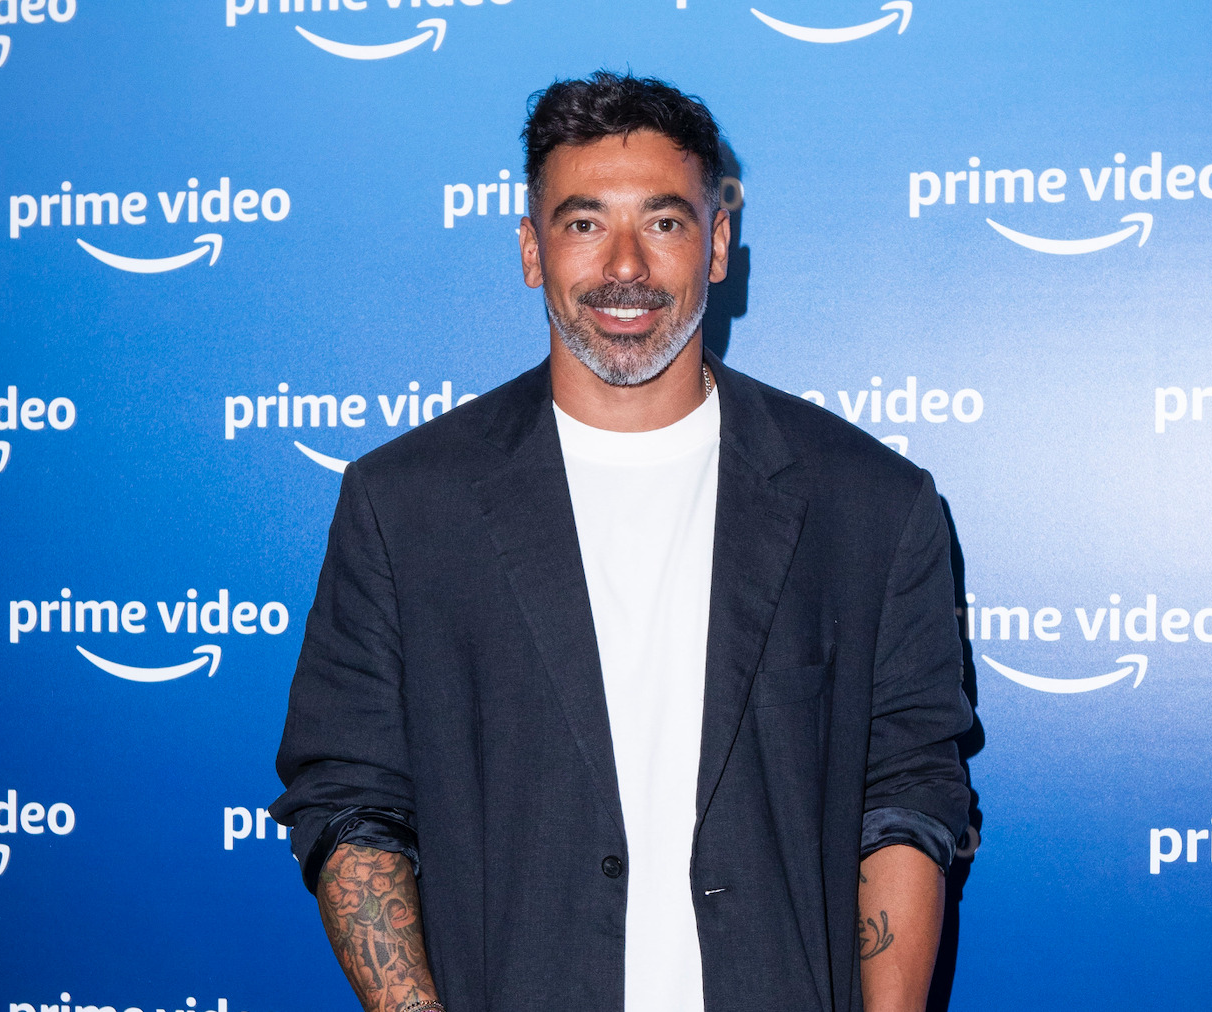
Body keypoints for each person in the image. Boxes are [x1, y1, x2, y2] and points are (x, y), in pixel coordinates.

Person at [271, 71, 973, 1012]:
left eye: (665, 221)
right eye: (584, 222)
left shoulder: (871, 505)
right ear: (532, 249)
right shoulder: (404, 507)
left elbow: (908, 796)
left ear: (717, 244)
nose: (627, 266)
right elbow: (352, 799)